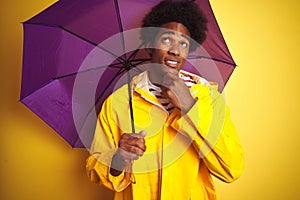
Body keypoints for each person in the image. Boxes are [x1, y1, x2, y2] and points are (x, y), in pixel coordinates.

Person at [86, 1, 244, 199]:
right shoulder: (119, 102)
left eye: (184, 43)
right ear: (150, 45)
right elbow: (94, 169)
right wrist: (118, 159)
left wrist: (189, 105)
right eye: (167, 40)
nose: (175, 51)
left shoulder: (209, 99)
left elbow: (231, 169)